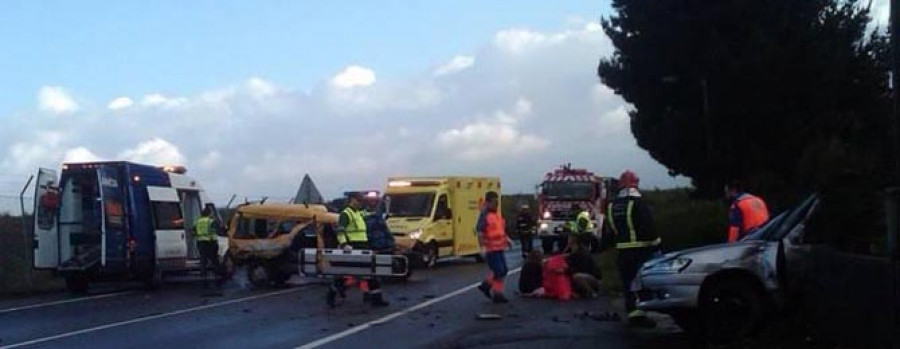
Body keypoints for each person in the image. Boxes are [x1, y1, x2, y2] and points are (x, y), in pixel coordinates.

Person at [606, 170, 660, 328]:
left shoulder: (612, 206)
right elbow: (648, 228)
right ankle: (641, 315)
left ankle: (632, 313)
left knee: (628, 285)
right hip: (642, 252)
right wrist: (657, 245)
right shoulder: (639, 204)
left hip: (623, 253)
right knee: (642, 284)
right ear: (635, 183)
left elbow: (611, 233)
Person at [327, 193, 390, 308]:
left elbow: (373, 215)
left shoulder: (359, 213)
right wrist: (344, 244)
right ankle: (331, 295)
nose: (361, 203)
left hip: (363, 245)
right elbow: (340, 230)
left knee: (370, 272)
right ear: (352, 200)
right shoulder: (346, 214)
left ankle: (377, 299)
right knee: (345, 274)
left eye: (361, 201)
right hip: (352, 247)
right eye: (359, 200)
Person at [476, 191, 510, 303]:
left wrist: (507, 239)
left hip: (499, 248)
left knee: (503, 270)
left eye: (497, 202)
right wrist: (482, 248)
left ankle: (487, 286)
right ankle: (497, 293)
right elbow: (480, 232)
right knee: (499, 271)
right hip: (491, 250)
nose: (496, 204)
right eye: (494, 202)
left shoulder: (496, 215)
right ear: (487, 202)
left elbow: (500, 231)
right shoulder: (485, 216)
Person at [192, 207, 223, 289]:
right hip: (211, 242)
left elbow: (193, 231)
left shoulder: (197, 221)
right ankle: (218, 277)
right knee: (215, 260)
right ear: (209, 213)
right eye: (211, 213)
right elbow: (218, 230)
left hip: (200, 242)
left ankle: (203, 277)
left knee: (203, 260)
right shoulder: (211, 221)